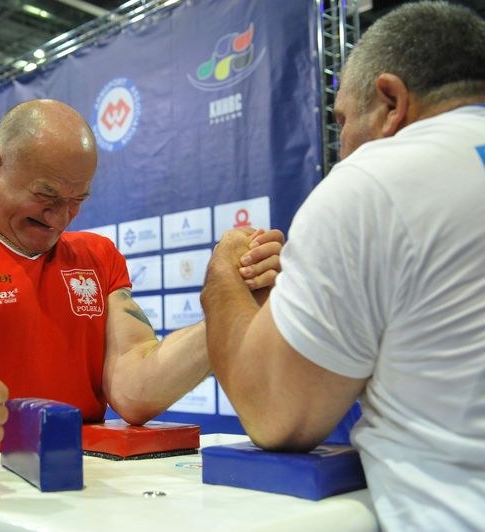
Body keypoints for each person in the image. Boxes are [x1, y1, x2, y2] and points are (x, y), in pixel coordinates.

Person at [0, 99, 284, 465]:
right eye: (45, 194)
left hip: (68, 499)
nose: (59, 217)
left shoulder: (97, 258)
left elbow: (134, 388)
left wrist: (228, 306)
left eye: (77, 200)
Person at [200, 2, 485, 529]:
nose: (343, 147)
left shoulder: (376, 181)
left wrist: (222, 274)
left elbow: (276, 415)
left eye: (343, 121)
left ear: (391, 101)